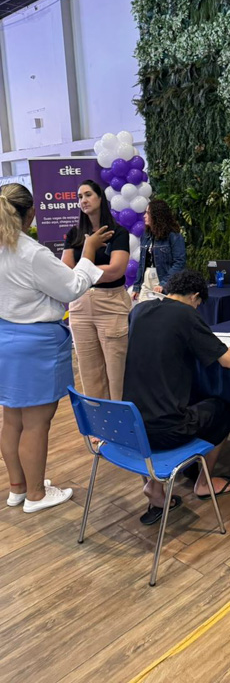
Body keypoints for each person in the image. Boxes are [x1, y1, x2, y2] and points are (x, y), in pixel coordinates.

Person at [0, 184, 112, 512]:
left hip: (7, 339)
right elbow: (72, 287)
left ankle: (18, 488)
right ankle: (36, 494)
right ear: (31, 214)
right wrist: (88, 250)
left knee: (12, 419)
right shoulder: (30, 252)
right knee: (37, 422)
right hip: (34, 344)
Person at [123, 269, 230, 525]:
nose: (198, 308)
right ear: (194, 296)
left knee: (190, 398)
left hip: (132, 426)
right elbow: (227, 361)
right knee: (228, 409)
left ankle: (156, 488)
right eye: (199, 303)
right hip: (167, 429)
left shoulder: (139, 310)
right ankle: (203, 483)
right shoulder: (186, 315)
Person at [62, 180, 130, 401]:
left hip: (111, 304)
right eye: (80, 197)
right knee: (90, 375)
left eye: (88, 194)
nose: (83, 200)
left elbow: (116, 270)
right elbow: (66, 272)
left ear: (100, 197)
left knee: (117, 373)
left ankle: (121, 421)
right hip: (80, 307)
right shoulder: (74, 234)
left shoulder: (117, 233)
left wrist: (82, 270)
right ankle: (98, 422)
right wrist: (90, 254)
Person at [132, 199, 186, 302]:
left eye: (148, 213)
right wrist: (137, 287)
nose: (144, 216)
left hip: (165, 281)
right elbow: (142, 264)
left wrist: (164, 283)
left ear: (157, 216)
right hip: (146, 281)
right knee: (142, 309)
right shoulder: (145, 236)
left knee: (161, 310)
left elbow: (179, 262)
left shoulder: (173, 236)